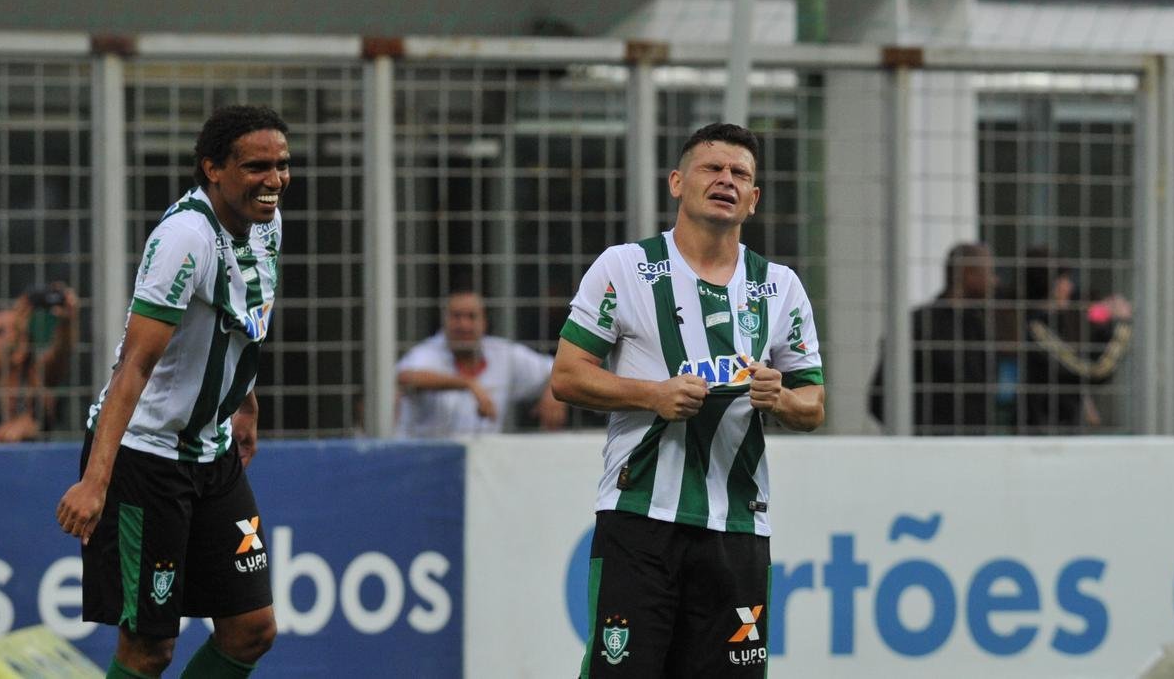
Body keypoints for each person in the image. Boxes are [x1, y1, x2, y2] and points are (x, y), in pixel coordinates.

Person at [550, 122, 824, 678]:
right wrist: (653, 394)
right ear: (677, 182)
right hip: (640, 520)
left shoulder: (781, 287)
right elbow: (567, 376)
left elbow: (813, 402)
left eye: (740, 174)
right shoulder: (624, 268)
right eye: (712, 168)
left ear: (753, 199)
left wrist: (782, 399)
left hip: (739, 528)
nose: (726, 180)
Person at [55, 105, 290, 678]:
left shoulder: (266, 221)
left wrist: (245, 402)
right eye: (257, 166)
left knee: (252, 629)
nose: (275, 180)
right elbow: (133, 367)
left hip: (213, 454)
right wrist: (96, 481)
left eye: (283, 165)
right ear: (213, 168)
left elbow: (244, 319)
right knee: (149, 649)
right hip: (147, 459)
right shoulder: (185, 238)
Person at [395, 289, 567, 436]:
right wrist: (468, 384)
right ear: (444, 321)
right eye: (456, 316)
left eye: (471, 317)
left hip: (483, 462)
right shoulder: (429, 351)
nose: (463, 325)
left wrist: (553, 396)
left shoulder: (503, 354)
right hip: (424, 460)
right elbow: (405, 377)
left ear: (484, 322)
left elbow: (558, 370)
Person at [868, 242, 999, 434]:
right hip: (926, 447)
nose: (994, 281)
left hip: (970, 448)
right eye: (989, 272)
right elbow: (880, 398)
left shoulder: (979, 326)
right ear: (968, 273)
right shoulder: (919, 326)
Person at [1017, 245, 1131, 431]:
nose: (1070, 286)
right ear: (1052, 284)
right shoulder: (1038, 330)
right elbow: (1094, 371)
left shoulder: (1054, 323)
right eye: (1065, 280)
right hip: (1047, 434)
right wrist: (1122, 327)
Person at [0, 283, 78, 442]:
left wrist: (67, 322)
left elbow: (61, 354)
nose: (11, 337)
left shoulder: (36, 375)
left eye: (16, 329)